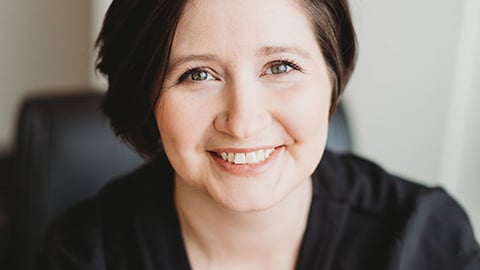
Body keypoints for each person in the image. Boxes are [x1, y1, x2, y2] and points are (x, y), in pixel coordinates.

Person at [39, 0, 480, 269]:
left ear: (332, 78)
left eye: (281, 67)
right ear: (146, 95)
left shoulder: (423, 241)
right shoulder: (85, 252)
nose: (243, 122)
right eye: (198, 74)